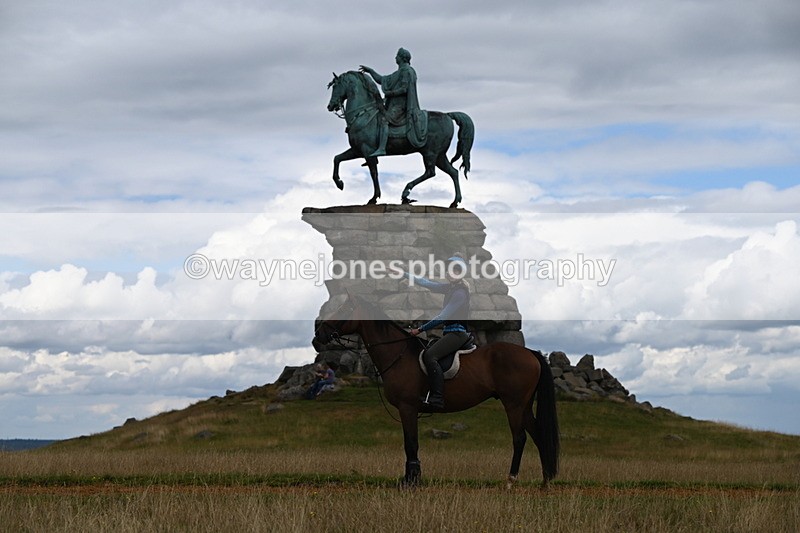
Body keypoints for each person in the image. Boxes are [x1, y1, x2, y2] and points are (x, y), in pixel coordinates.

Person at [401, 254, 471, 411]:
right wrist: (402, 273)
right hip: (450, 333)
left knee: (430, 355)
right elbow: (425, 283)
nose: (451, 272)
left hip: (457, 334)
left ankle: (437, 399)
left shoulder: (460, 293)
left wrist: (420, 329)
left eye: (455, 270)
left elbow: (442, 317)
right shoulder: (450, 288)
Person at [359, 47, 428, 157]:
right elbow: (382, 80)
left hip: (401, 106)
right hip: (393, 105)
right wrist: (371, 71)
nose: (395, 57)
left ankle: (382, 148)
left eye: (397, 56)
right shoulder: (399, 72)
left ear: (402, 58)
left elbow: (404, 89)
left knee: (384, 120)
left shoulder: (407, 71)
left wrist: (390, 93)